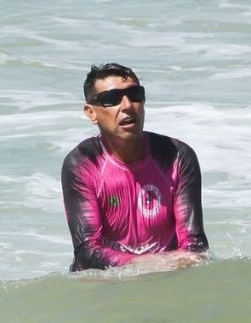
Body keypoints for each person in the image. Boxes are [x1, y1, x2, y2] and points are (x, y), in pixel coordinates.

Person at [61, 63, 209, 272]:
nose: (128, 105)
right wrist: (143, 265)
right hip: (108, 281)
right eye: (111, 99)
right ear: (91, 113)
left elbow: (195, 244)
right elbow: (87, 251)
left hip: (167, 275)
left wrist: (162, 268)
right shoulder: (83, 163)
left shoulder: (177, 156)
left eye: (135, 94)